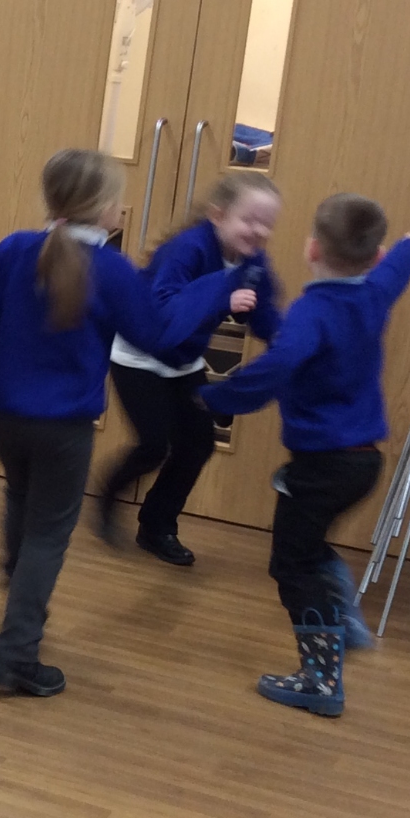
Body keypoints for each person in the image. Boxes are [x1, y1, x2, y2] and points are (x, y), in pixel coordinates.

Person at [0, 150, 248, 697]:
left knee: (22, 501)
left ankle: (18, 591)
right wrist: (218, 288)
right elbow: (158, 337)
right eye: (118, 198)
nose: (123, 206)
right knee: (48, 533)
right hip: (64, 427)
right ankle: (16, 654)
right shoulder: (112, 269)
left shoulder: (14, 249)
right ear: (101, 207)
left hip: (6, 419)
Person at [200, 194, 410, 717]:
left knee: (293, 564)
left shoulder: (311, 313)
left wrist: (216, 397)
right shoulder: (374, 294)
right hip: (362, 464)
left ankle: (321, 682)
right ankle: (343, 620)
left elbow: (278, 366)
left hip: (322, 465)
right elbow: (397, 267)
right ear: (375, 255)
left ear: (311, 250)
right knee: (309, 545)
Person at [98, 171, 284, 566]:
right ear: (218, 215)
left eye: (267, 223)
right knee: (154, 444)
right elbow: (165, 313)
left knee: (198, 443)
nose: (259, 231)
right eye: (249, 220)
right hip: (140, 355)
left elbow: (265, 316)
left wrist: (292, 350)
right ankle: (107, 497)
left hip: (183, 360)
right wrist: (222, 295)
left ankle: (157, 526)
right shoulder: (187, 249)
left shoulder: (253, 263)